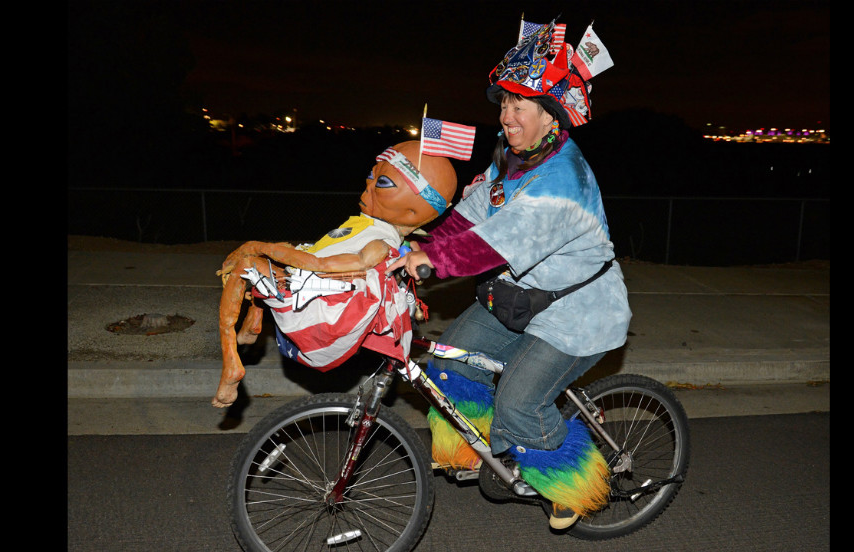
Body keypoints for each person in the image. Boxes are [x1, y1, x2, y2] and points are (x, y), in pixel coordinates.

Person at [387, 19, 631, 530]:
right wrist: (415, 244)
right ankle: (473, 451)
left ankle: (575, 486)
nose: (507, 114)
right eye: (505, 103)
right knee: (451, 363)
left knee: (520, 404)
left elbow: (491, 244)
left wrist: (435, 261)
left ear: (551, 117)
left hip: (576, 315)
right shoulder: (513, 162)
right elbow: (470, 216)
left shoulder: (564, 180)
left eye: (520, 106)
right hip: (520, 298)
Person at [212, 140, 457, 408]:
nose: (369, 187)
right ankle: (253, 323)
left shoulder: (379, 243)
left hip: (316, 305)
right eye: (371, 177)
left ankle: (231, 367)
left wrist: (257, 246)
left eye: (383, 183)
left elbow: (322, 265)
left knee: (246, 263)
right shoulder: (378, 229)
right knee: (266, 260)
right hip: (310, 284)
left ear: (412, 211)